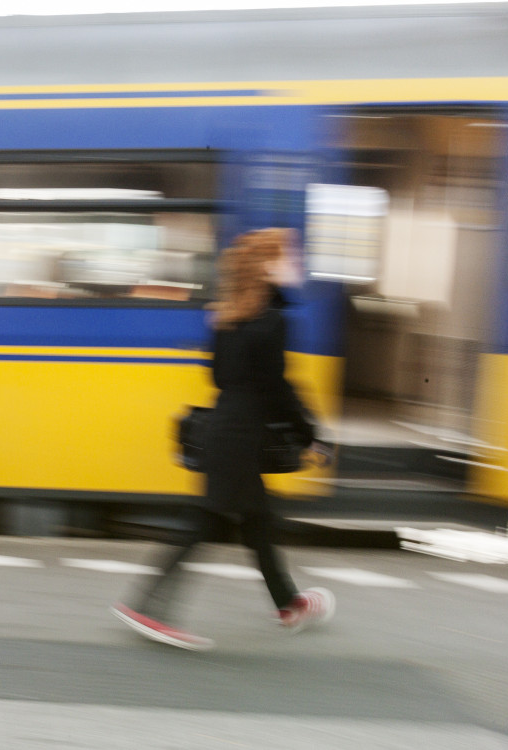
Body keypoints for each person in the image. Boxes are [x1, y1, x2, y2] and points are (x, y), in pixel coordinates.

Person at [112, 228, 335, 651]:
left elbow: (219, 378)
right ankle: (147, 608)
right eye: (291, 257)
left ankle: (288, 603)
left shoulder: (228, 316)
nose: (297, 265)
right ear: (269, 266)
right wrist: (310, 436)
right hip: (239, 438)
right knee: (204, 523)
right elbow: (277, 389)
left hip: (225, 432)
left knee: (257, 523)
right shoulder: (273, 321)